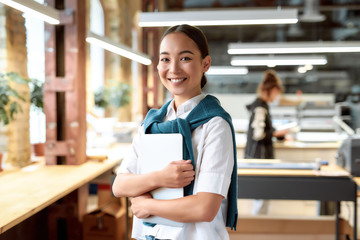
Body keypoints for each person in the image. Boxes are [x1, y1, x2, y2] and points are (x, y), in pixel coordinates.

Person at [112, 24, 238, 240]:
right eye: (165, 59)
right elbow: (120, 185)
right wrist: (161, 177)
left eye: (185, 58)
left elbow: (204, 208)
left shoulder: (215, 124)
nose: (174, 69)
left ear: (205, 63)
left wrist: (148, 204)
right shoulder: (152, 123)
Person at [244, 70, 289, 214]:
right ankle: (258, 229)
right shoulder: (260, 107)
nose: (277, 97)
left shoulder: (262, 106)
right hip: (259, 158)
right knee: (261, 197)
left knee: (261, 196)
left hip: (258, 157)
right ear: (273, 90)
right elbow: (259, 135)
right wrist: (276, 133)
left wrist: (278, 135)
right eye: (277, 93)